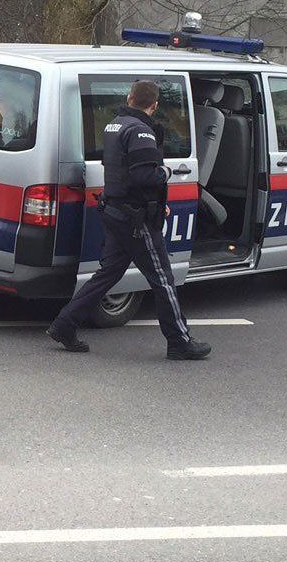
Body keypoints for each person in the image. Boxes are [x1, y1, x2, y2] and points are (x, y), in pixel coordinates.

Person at [46, 79, 212, 361]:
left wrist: (155, 203)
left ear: (129, 98)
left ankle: (64, 324)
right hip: (136, 220)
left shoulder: (114, 125)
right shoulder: (141, 131)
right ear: (154, 105)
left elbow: (123, 173)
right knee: (163, 278)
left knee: (108, 274)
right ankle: (179, 341)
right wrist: (166, 173)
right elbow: (143, 176)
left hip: (116, 211)